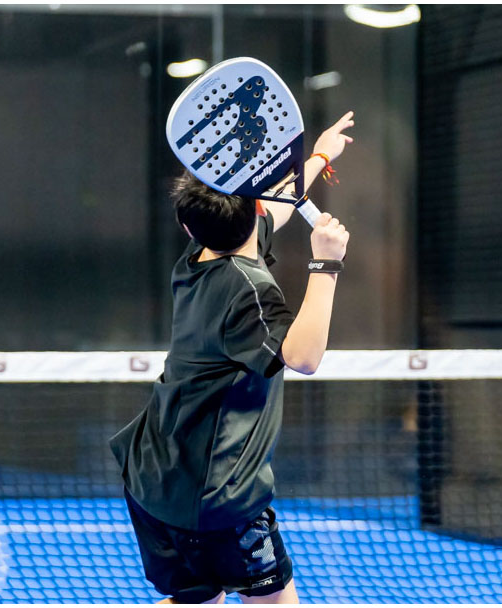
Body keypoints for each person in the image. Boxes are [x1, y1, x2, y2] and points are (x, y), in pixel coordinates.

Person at [110, 112, 356, 604]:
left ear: (188, 226)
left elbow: (273, 207)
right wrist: (327, 261)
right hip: (216, 493)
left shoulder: (196, 259)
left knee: (200, 599)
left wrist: (320, 156)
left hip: (153, 474)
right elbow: (304, 357)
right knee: (274, 601)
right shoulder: (250, 290)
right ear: (252, 209)